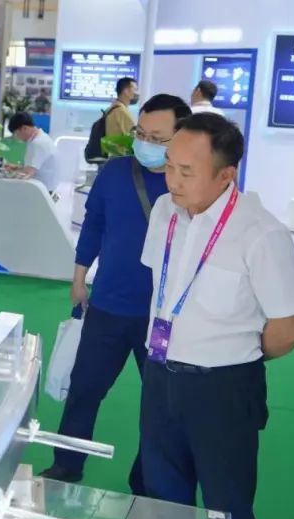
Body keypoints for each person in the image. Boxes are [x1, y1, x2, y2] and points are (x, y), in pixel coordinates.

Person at [140, 113, 294, 519]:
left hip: (223, 388)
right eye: (169, 166)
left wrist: (236, 351)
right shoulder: (164, 212)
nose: (172, 180)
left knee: (226, 508)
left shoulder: (261, 232)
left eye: (186, 171)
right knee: (163, 498)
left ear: (225, 175)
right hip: (159, 377)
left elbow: (289, 329)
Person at [40, 94, 191, 493]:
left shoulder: (189, 184)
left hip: (163, 317)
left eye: (157, 137)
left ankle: (148, 482)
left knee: (162, 406)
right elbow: (93, 226)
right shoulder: (114, 173)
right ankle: (66, 463)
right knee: (84, 390)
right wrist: (79, 277)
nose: (145, 143)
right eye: (141, 133)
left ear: (181, 137)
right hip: (108, 305)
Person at [7, 112, 60, 194]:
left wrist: (8, 177)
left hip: (42, 191)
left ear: (24, 128)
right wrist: (17, 168)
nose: (16, 137)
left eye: (16, 133)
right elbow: (34, 167)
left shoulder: (37, 143)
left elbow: (27, 174)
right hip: (46, 188)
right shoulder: (42, 137)